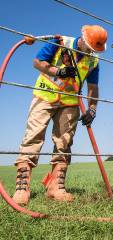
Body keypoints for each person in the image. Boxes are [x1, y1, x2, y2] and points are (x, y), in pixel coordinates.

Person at [12, 25, 108, 205]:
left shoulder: (93, 61)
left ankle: (56, 187)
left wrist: (92, 108)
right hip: (44, 96)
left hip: (70, 104)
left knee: (64, 142)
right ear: (83, 38)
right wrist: (59, 71)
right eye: (90, 47)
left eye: (95, 49)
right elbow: (37, 62)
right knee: (33, 137)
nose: (92, 51)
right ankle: (22, 188)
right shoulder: (61, 42)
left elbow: (93, 88)